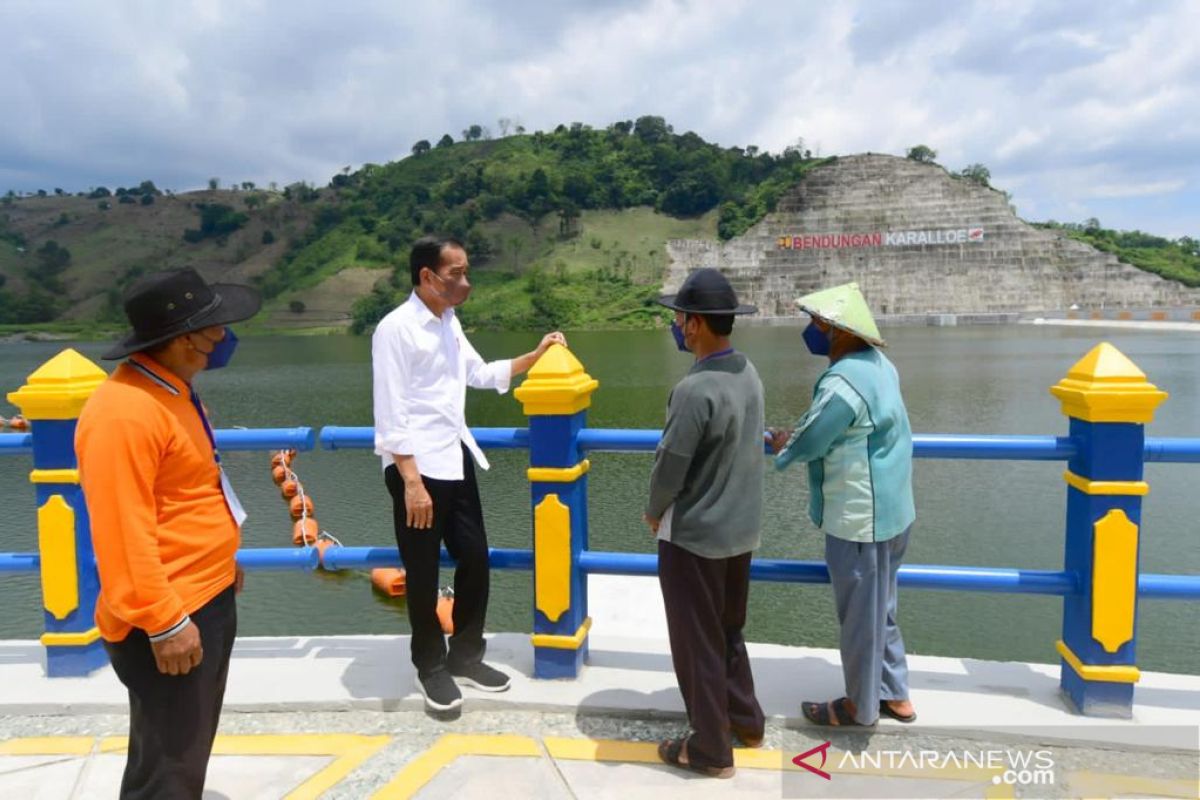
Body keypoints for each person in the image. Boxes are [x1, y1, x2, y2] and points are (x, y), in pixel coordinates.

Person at [75, 267, 261, 798]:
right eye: (214, 327)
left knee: (182, 748)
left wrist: (224, 562)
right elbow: (119, 530)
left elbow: (189, 491)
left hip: (205, 593)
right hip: (171, 614)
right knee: (170, 767)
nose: (223, 337)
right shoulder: (125, 413)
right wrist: (162, 622)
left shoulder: (173, 390)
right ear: (184, 340)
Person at [372, 236, 566, 713]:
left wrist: (535, 356)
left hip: (454, 459)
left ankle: (465, 655)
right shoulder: (395, 329)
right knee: (421, 573)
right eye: (455, 273)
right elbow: (391, 411)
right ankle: (430, 667)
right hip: (415, 469)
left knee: (475, 557)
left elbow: (478, 373)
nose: (465, 282)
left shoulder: (448, 322)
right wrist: (412, 482)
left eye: (464, 272)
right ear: (426, 277)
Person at [771, 282, 917, 727]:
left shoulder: (843, 381)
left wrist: (783, 445)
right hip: (893, 513)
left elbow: (813, 438)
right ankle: (895, 694)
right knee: (881, 608)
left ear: (837, 331)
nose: (810, 331)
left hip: (860, 519)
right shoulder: (879, 365)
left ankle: (859, 707)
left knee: (859, 618)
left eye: (816, 323)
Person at [644, 268, 767, 779]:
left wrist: (654, 511)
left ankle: (711, 748)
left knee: (696, 642)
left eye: (677, 318)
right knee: (727, 631)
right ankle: (745, 719)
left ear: (694, 325)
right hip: (740, 532)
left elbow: (671, 465)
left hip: (695, 537)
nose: (675, 326)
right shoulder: (747, 371)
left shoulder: (695, 390)